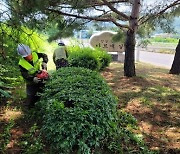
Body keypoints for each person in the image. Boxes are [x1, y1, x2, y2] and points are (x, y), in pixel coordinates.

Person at [17, 44, 48, 108]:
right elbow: (25, 75)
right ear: (23, 56)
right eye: (26, 57)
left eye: (29, 55)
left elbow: (44, 55)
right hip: (30, 80)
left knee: (41, 91)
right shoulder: (21, 63)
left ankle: (39, 103)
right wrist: (33, 79)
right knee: (30, 97)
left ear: (30, 52)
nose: (28, 57)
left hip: (38, 75)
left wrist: (44, 62)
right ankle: (29, 107)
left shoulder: (35, 54)